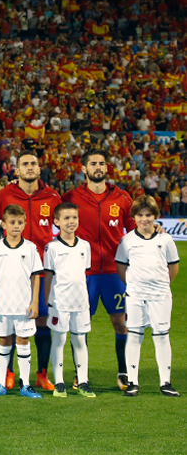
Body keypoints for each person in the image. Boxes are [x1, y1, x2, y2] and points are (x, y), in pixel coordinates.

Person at [62, 149, 138, 391]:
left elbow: (135, 229)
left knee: (121, 323)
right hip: (84, 273)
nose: (98, 167)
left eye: (102, 163)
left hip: (115, 273)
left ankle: (124, 372)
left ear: (107, 168)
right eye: (93, 163)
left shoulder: (122, 198)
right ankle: (79, 374)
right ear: (83, 169)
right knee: (80, 324)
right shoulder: (71, 196)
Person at [0, 150, 61, 391]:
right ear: (16, 170)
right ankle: (8, 373)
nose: (30, 167)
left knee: (41, 320)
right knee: (8, 321)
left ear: (39, 169)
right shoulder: (4, 195)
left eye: (34, 163)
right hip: (9, 271)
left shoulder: (52, 196)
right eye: (25, 164)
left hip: (42, 271)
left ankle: (41, 374)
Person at [116, 196, 180, 397]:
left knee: (161, 337)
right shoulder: (127, 241)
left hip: (161, 295)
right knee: (134, 336)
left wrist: (161, 285)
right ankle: (133, 382)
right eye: (140, 215)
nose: (145, 219)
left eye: (149, 215)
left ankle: (165, 383)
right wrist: (134, 284)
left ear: (155, 216)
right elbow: (121, 267)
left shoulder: (165, 239)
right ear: (134, 217)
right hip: (135, 296)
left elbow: (174, 267)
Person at [0, 205, 44, 399]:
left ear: (25, 224)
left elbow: (36, 276)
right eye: (12, 222)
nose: (16, 226)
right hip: (3, 306)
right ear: (4, 224)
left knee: (23, 341)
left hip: (23, 305)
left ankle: (25, 385)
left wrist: (35, 302)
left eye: (19, 222)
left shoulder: (31, 248)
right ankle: (0, 383)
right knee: (3, 341)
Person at [42, 202, 96, 398]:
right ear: (56, 221)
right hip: (59, 303)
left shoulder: (85, 246)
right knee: (59, 340)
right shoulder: (52, 247)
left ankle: (82, 382)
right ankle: (59, 383)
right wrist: (49, 302)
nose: (71, 221)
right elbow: (48, 276)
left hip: (81, 303)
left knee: (80, 341)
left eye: (74, 217)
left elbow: (84, 274)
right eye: (66, 218)